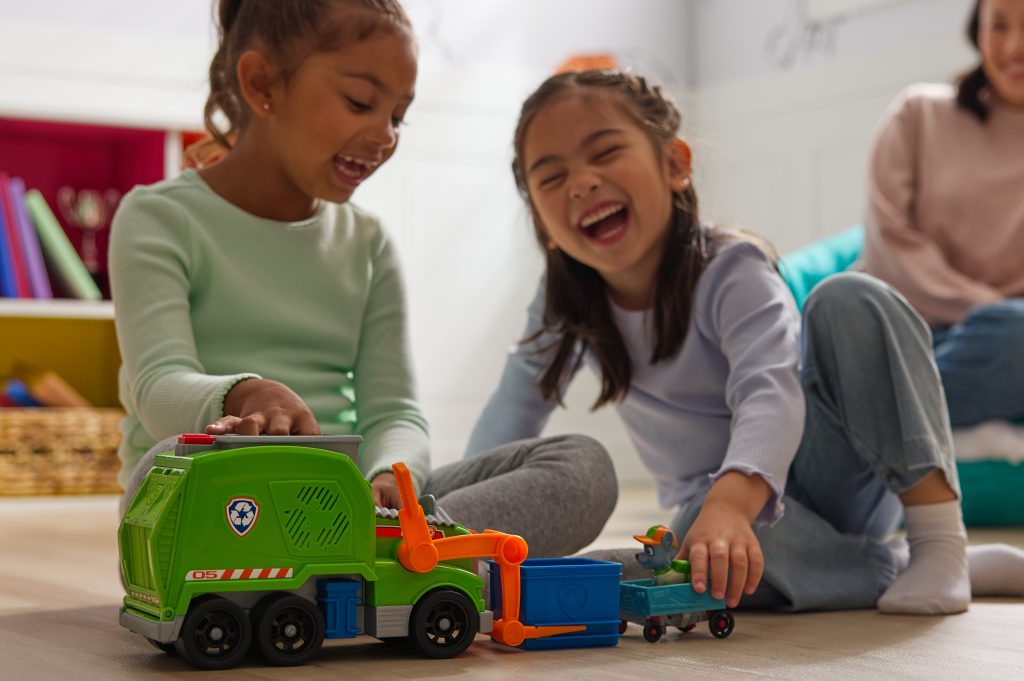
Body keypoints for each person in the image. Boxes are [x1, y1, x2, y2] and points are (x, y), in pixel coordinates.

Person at [466, 68, 1024, 614]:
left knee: (851, 296)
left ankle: (939, 543)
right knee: (682, 549)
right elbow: (511, 414)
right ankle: (889, 565)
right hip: (735, 520)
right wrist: (457, 522)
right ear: (541, 221)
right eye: (552, 177)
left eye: (606, 152)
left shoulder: (730, 267)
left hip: (824, 475)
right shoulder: (565, 302)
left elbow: (770, 392)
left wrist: (732, 504)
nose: (582, 182)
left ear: (675, 164)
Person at [109, 0, 617, 560]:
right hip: (216, 496)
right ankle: (416, 560)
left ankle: (391, 551)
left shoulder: (368, 243)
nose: (385, 136)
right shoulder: (158, 218)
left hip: (342, 503)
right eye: (359, 102)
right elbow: (156, 386)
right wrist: (246, 394)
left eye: (398, 116)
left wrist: (390, 474)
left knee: (582, 465)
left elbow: (394, 411)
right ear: (261, 85)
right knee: (161, 469)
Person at [860, 0, 1024, 430]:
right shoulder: (918, 113)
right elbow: (887, 239)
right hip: (902, 324)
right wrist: (980, 305)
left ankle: (870, 425)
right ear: (977, 32)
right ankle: (935, 428)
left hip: (1002, 344)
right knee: (837, 306)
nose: (1014, 47)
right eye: (999, 26)